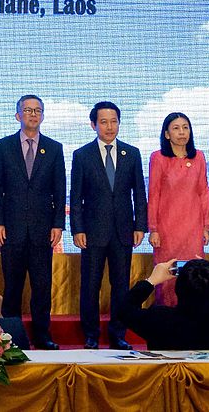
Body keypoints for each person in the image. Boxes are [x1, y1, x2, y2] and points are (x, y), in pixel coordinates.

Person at [0, 94, 65, 350]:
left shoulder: (54, 148)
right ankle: (12, 337)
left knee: (42, 287)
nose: (33, 114)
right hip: (11, 229)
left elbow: (59, 189)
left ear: (42, 116)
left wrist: (58, 224)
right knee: (12, 287)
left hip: (43, 231)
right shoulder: (3, 146)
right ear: (17, 115)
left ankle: (43, 336)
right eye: (27, 110)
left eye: (37, 110)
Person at [70, 101, 147, 350]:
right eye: (103, 121)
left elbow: (139, 194)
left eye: (114, 121)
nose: (109, 126)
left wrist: (140, 225)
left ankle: (118, 334)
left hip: (124, 231)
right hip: (92, 232)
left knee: (121, 286)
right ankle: (91, 334)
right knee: (90, 285)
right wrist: (78, 229)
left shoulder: (132, 153)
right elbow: (76, 195)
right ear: (94, 125)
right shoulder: (82, 155)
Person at [147, 112, 209, 307]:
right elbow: (154, 195)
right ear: (167, 134)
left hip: (193, 229)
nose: (182, 132)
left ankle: (192, 322)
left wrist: (206, 227)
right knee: (168, 276)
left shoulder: (199, 157)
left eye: (185, 127)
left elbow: (204, 192)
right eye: (176, 128)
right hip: (167, 230)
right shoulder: (158, 158)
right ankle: (167, 320)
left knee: (193, 275)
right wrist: (153, 229)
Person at [122, 258, 209, 350]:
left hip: (168, 383)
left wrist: (151, 280)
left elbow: (124, 310)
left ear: (177, 289)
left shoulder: (159, 318)